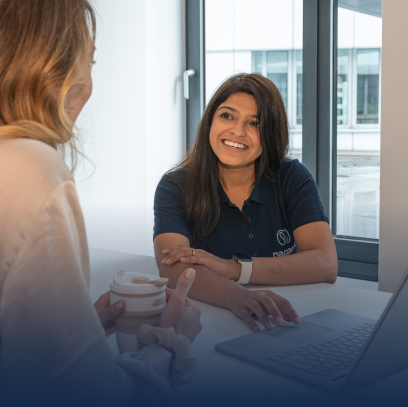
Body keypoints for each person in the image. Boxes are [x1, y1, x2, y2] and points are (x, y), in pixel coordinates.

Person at [0, 0, 201, 405]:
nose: (90, 86)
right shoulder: (31, 167)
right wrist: (168, 339)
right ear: (51, 66)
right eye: (88, 62)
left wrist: (77, 333)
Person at [154, 73, 338, 333]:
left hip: (291, 317)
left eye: (255, 124)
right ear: (210, 120)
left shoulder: (291, 177)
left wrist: (234, 268)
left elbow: (326, 264)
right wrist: (237, 296)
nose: (237, 131)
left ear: (272, 134)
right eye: (227, 115)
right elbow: (171, 268)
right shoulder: (175, 186)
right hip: (211, 321)